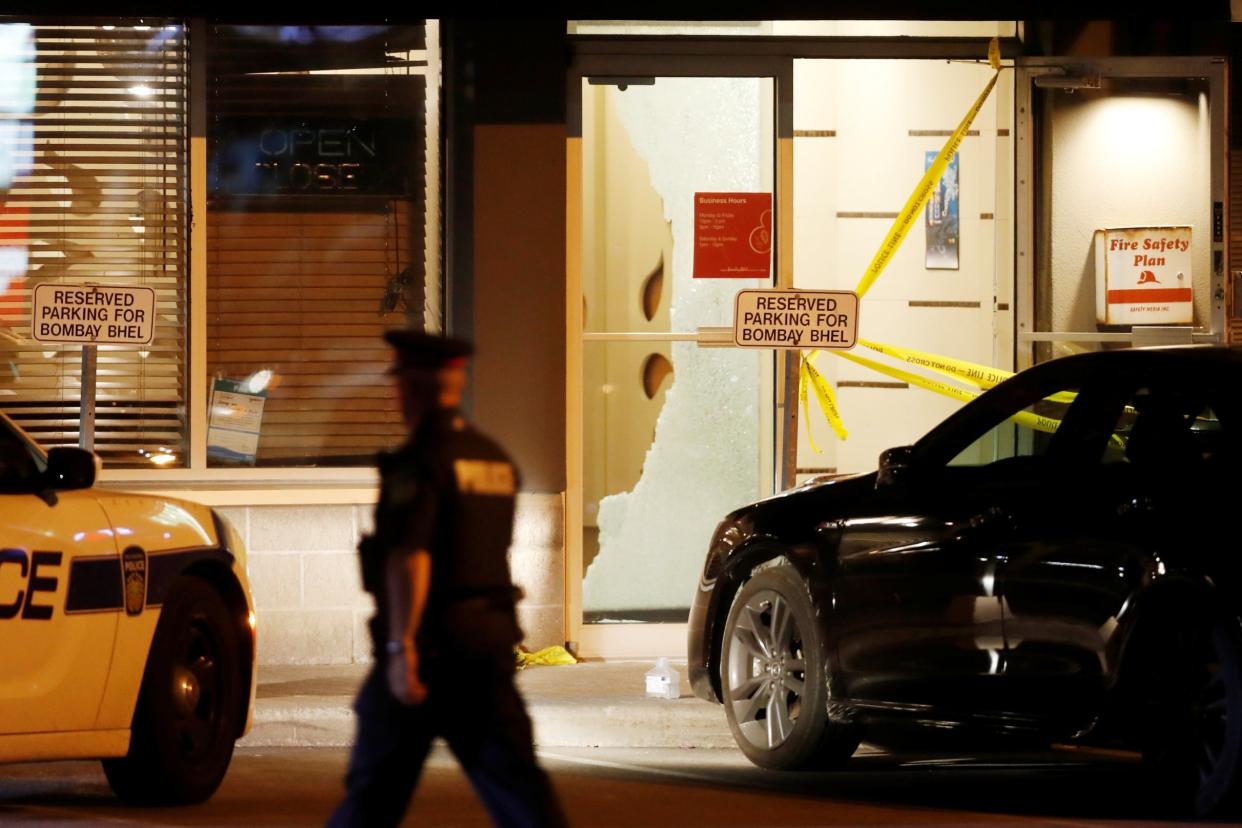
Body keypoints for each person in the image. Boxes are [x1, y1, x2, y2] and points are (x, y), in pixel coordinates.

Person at [328, 329, 567, 828]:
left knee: (370, 800)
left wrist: (402, 650)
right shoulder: (495, 460)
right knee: (522, 796)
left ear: (410, 387)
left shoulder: (419, 463)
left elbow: (411, 556)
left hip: (428, 653)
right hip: (485, 653)